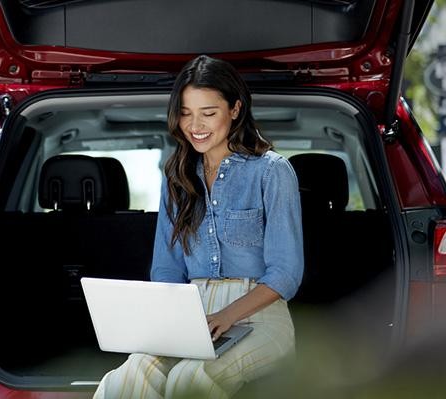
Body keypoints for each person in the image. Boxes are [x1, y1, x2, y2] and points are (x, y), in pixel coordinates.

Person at [93, 55, 304, 399]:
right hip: (190, 318)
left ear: (235, 109)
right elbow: (166, 269)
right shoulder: (176, 178)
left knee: (191, 379)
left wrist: (226, 315)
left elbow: (286, 273)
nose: (196, 125)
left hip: (260, 317)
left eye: (208, 113)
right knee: (127, 378)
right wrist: (169, 324)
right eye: (187, 113)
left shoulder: (272, 171)